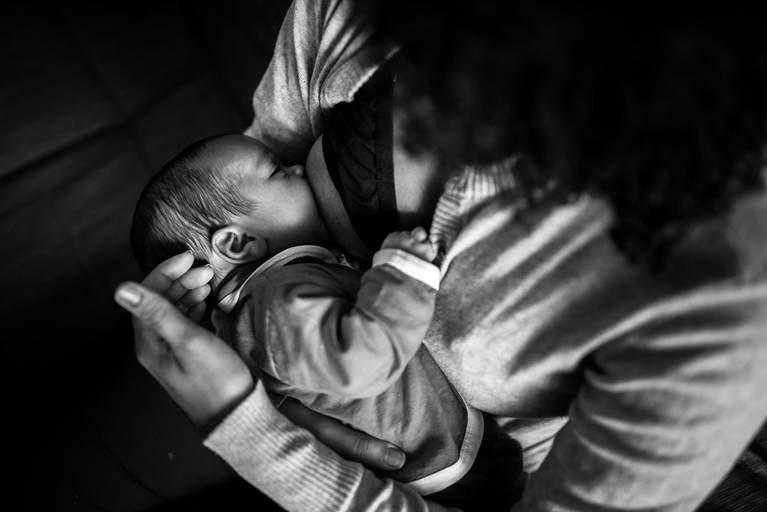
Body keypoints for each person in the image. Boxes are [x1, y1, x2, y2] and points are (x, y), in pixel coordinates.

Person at [116, 0, 767, 510]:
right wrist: (237, 350)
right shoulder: (354, 21)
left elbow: (254, 190)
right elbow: (236, 174)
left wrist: (246, 422)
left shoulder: (718, 301)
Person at [129, 133, 523, 509]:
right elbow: (359, 364)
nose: (298, 167)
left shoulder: (279, 292)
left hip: (452, 447)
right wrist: (402, 273)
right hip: (446, 471)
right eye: (277, 171)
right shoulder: (276, 304)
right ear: (239, 242)